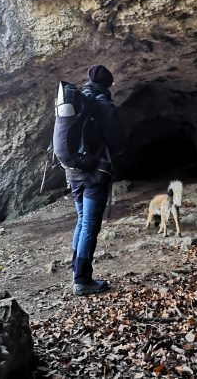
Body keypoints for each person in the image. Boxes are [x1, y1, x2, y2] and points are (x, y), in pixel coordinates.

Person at [66, 65, 124, 296]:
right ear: (108, 84)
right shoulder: (102, 105)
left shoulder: (78, 102)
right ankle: (82, 279)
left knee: (82, 219)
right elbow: (117, 140)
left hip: (73, 172)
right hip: (95, 174)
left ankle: (76, 268)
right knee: (90, 224)